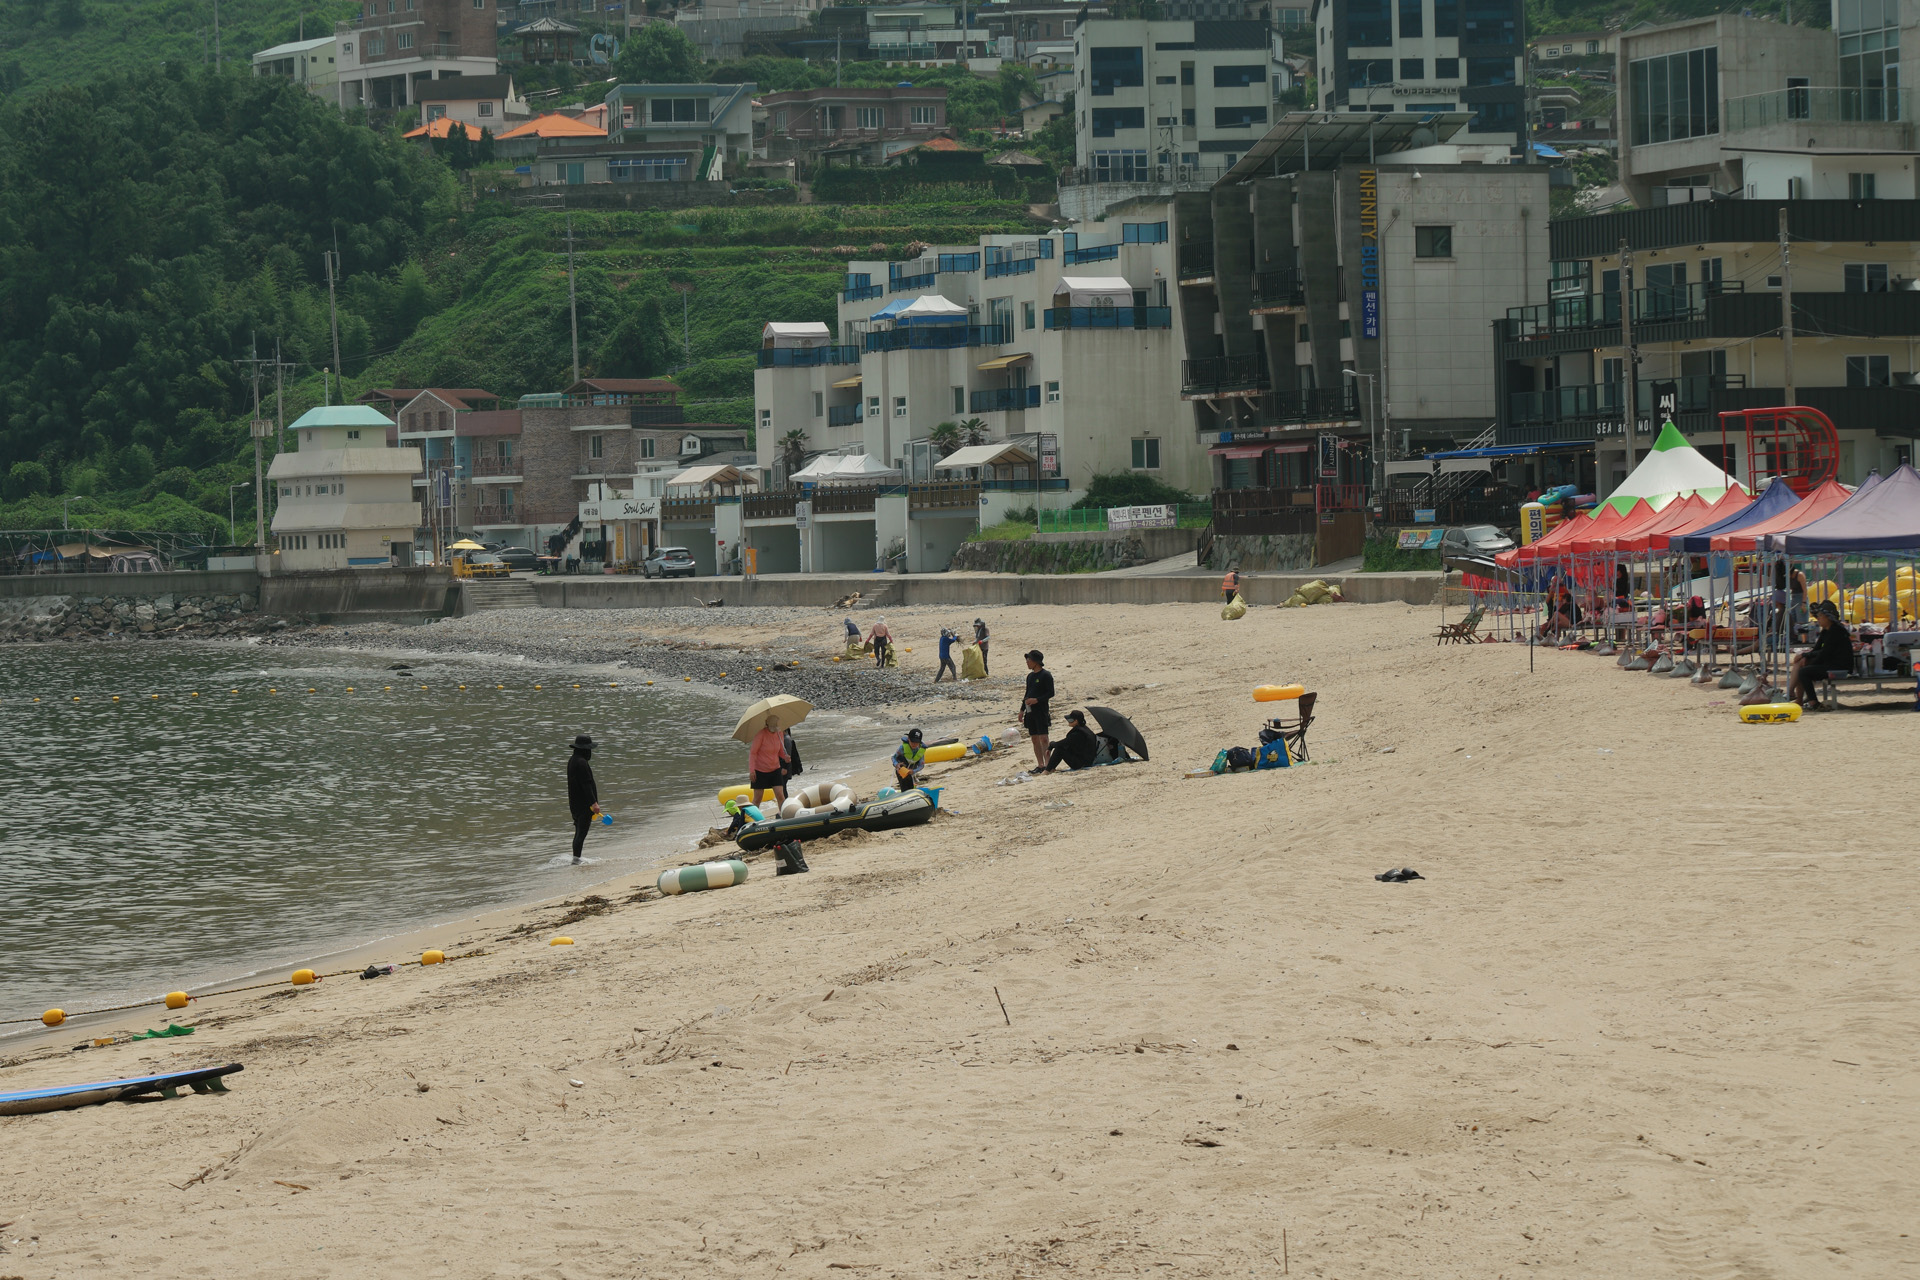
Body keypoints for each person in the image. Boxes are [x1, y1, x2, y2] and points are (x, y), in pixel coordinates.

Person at [1791, 601, 1854, 710]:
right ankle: (1796, 697)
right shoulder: (1826, 631)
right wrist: (1806, 657)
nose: (1818, 619)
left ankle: (1812, 701)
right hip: (1830, 663)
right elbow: (1817, 649)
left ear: (1828, 618)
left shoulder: (1836, 631)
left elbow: (1825, 652)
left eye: (1820, 616)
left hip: (1840, 667)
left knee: (1804, 672)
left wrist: (1807, 657)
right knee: (1802, 666)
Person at [566, 734, 600, 864]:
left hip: (574, 804)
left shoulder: (573, 760)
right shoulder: (581, 763)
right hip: (584, 805)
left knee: (578, 832)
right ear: (585, 749)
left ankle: (576, 858)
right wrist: (594, 803)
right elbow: (586, 785)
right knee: (581, 833)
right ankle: (576, 860)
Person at [748, 713, 791, 807]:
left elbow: (780, 751)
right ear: (767, 725)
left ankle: (784, 816)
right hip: (760, 770)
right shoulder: (760, 735)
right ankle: (752, 818)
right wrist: (752, 771)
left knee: (780, 795)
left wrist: (785, 756)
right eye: (772, 727)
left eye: (776, 726)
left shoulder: (779, 733)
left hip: (775, 769)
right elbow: (753, 753)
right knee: (757, 798)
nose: (774, 729)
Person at [1021, 649, 1054, 770]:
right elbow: (1027, 693)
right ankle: (1040, 764)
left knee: (1043, 738)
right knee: (1034, 738)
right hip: (1030, 712)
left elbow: (1051, 693)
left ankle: (1048, 764)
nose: (1027, 662)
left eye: (1028, 660)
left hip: (1041, 710)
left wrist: (1037, 700)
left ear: (1036, 661)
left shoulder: (1046, 675)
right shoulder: (1030, 676)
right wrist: (1022, 710)